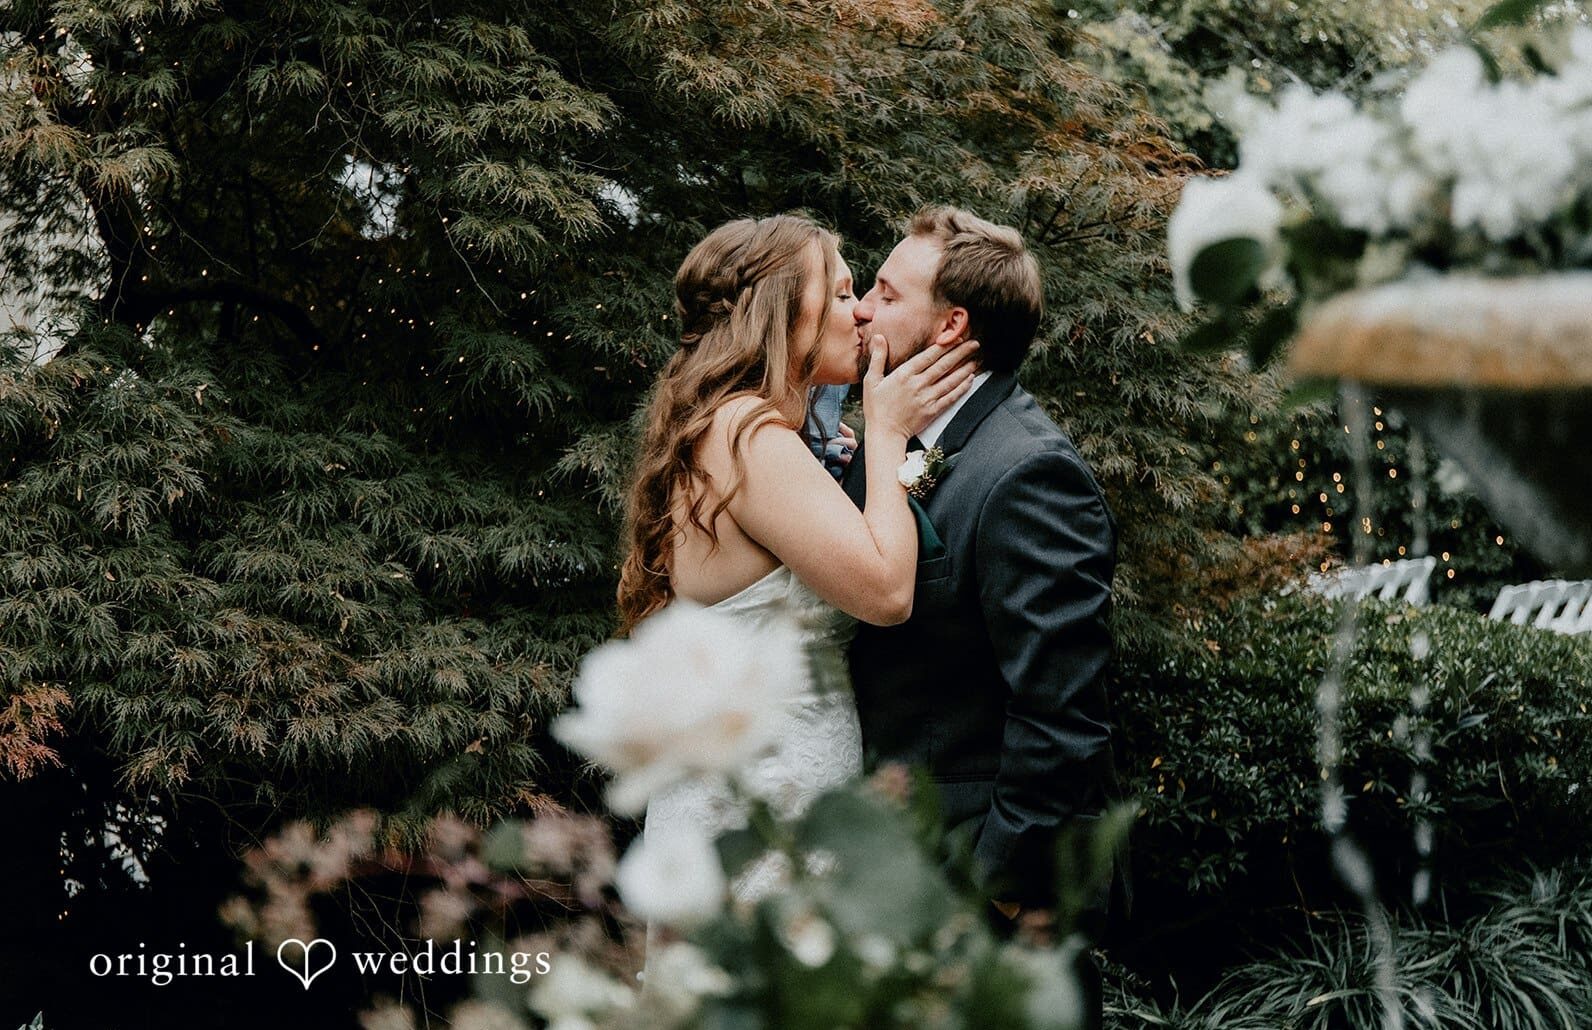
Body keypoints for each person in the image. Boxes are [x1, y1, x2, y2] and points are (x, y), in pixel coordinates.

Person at [614, 213, 979, 918]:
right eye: (841, 294)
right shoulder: (750, 434)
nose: (861, 312)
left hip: (762, 788)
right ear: (781, 310)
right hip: (766, 806)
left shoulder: (742, 429)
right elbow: (887, 592)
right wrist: (888, 433)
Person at [843, 206, 1120, 1024]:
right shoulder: (904, 446)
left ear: (950, 324)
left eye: (885, 294)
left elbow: (1064, 715)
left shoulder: (1030, 473)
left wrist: (993, 890)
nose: (860, 306)